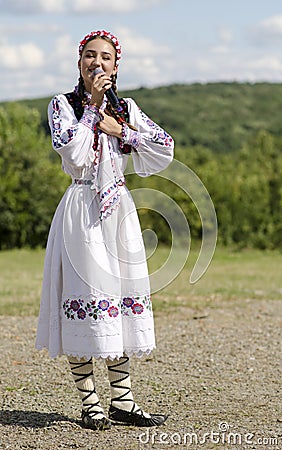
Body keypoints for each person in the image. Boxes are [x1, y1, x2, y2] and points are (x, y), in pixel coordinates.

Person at [35, 30, 174, 431]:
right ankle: (90, 402)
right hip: (82, 209)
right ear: (79, 62)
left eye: (106, 58)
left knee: (118, 300)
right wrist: (93, 111)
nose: (98, 63)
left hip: (119, 214)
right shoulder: (62, 105)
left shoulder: (126, 108)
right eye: (90, 57)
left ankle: (124, 401)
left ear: (116, 66)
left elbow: (163, 148)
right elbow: (74, 151)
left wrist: (122, 131)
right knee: (86, 299)